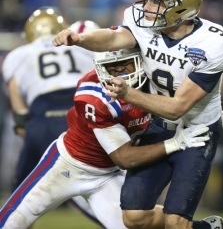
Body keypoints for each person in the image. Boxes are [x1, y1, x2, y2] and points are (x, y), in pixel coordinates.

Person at [52, 0, 223, 229]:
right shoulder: (142, 22)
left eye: (157, 1)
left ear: (181, 7)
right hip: (156, 125)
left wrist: (128, 94)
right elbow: (113, 37)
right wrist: (80, 39)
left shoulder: (214, 44)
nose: (147, 7)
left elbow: (178, 107)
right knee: (134, 218)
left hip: (196, 133)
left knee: (176, 223)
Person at [0, 47, 211, 229]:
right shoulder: (95, 95)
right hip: (68, 164)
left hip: (108, 175)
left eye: (124, 64)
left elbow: (182, 108)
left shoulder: (156, 82)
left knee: (138, 221)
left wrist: (222, 118)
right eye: (112, 67)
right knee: (9, 223)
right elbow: (125, 157)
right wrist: (174, 143)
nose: (118, 73)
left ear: (139, 60)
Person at [0, 8, 101, 225]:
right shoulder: (82, 48)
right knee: (97, 187)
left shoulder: (18, 55)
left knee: (22, 192)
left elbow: (18, 109)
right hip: (82, 112)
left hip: (42, 114)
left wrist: (25, 127)